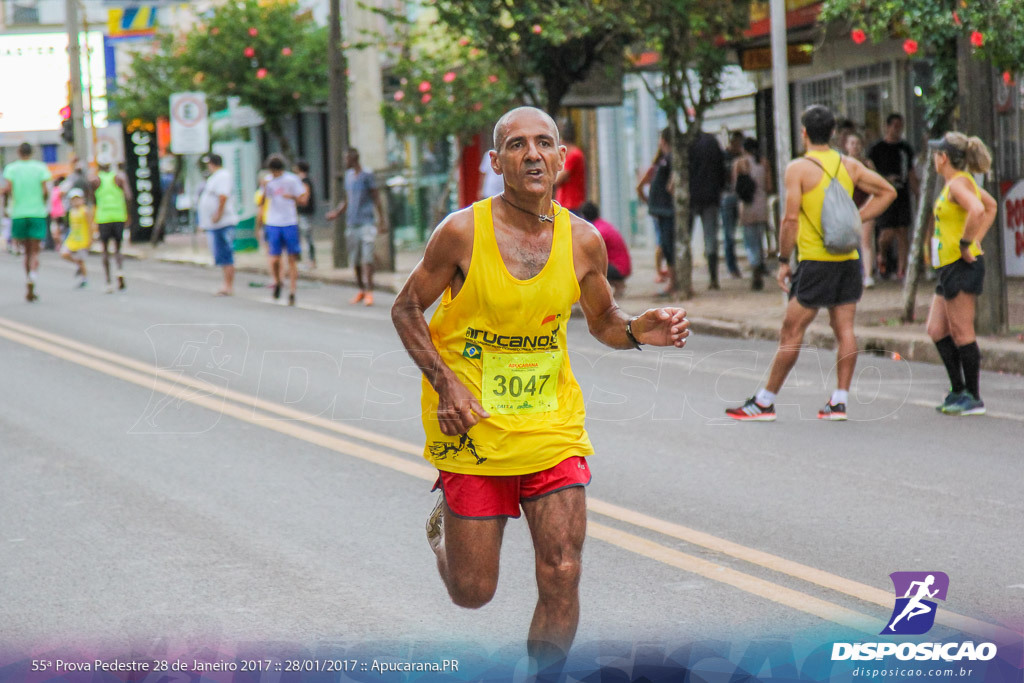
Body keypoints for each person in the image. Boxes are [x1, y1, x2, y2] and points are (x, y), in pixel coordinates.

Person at [391, 106, 689, 668]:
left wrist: (635, 331)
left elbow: (604, 321)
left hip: (552, 426)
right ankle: (444, 540)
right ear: (496, 160)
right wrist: (446, 383)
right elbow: (406, 309)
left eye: (543, 143)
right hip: (472, 425)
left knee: (563, 571)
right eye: (518, 144)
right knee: (472, 593)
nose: (532, 154)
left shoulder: (583, 241)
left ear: (560, 157)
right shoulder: (460, 233)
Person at [725, 105, 896, 422]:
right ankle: (839, 401)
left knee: (791, 331)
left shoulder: (798, 169)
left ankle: (764, 402)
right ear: (833, 133)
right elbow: (888, 191)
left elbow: (790, 219)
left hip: (816, 262)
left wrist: (783, 260)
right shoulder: (849, 165)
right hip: (847, 260)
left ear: (804, 132)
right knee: (844, 328)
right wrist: (857, 219)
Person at [925, 133, 997, 416]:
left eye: (935, 154)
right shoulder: (954, 184)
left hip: (960, 264)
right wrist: (975, 238)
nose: (933, 159)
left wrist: (969, 243)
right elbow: (989, 206)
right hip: (948, 266)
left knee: (962, 331)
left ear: (943, 158)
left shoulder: (958, 184)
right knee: (936, 328)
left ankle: (974, 396)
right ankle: (958, 389)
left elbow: (979, 209)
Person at [325, 148, 388, 306]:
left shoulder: (367, 175)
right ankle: (360, 289)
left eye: (346, 159)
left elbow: (376, 198)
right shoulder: (348, 177)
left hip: (366, 222)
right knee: (355, 260)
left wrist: (381, 220)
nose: (344, 162)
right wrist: (337, 213)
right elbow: (347, 199)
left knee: (367, 258)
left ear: (353, 159)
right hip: (351, 223)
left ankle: (369, 291)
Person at [868, 113, 919, 280]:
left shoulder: (905, 149)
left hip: (902, 195)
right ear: (887, 126)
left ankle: (901, 270)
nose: (898, 130)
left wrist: (917, 192)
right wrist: (884, 180)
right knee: (886, 233)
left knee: (903, 231)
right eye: (895, 126)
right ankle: (882, 254)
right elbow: (870, 173)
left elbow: (911, 173)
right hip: (884, 195)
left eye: (900, 126)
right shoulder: (876, 149)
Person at [1, 142, 52, 302]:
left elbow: (7, 189)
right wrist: (42, 204)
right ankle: (33, 277)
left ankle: (28, 276)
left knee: (26, 251)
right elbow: (45, 191)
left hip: (19, 213)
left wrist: (6, 209)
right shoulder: (40, 167)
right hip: (37, 212)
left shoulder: (12, 169)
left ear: (18, 152)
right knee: (35, 251)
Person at [259, 154, 308, 306]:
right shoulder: (268, 181)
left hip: (289, 221)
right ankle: (278, 281)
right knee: (274, 258)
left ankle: (292, 291)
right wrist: (264, 188)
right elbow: (261, 201)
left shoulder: (292, 180)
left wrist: (292, 197)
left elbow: (303, 200)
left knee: (292, 258)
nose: (275, 175)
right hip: (273, 222)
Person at [636, 128, 675, 294]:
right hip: (660, 210)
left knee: (667, 245)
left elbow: (672, 184)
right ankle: (671, 280)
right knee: (664, 245)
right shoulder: (661, 161)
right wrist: (650, 202)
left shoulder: (670, 160)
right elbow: (640, 186)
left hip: (667, 210)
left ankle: (673, 282)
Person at [732, 137, 773, 290]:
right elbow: (769, 186)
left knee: (749, 241)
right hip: (761, 204)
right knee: (759, 238)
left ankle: (755, 264)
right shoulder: (764, 163)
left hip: (747, 205)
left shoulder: (739, 163)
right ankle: (759, 264)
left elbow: (736, 186)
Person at [689, 131, 727, 289]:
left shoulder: (687, 142)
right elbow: (722, 168)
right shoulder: (712, 142)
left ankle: (685, 280)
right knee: (711, 239)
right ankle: (713, 278)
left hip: (690, 197)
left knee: (684, 238)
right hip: (711, 196)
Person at [198, 154, 238, 296]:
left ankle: (228, 285)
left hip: (223, 222)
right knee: (221, 254)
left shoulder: (222, 176)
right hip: (215, 224)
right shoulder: (215, 177)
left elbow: (223, 196)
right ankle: (225, 284)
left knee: (226, 253)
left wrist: (218, 214)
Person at [91, 158, 133, 293]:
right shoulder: (119, 179)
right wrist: (128, 213)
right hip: (118, 215)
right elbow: (128, 196)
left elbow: (92, 200)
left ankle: (108, 281)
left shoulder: (95, 180)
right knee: (118, 248)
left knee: (105, 250)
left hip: (103, 217)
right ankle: (119, 271)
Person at [844, 132, 878, 288]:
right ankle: (850, 275)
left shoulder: (867, 164)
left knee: (866, 241)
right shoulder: (841, 164)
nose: (855, 146)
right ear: (846, 146)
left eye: (857, 143)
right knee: (848, 243)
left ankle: (868, 275)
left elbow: (877, 186)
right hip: (847, 208)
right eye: (852, 143)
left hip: (866, 205)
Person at [579, 201, 631, 298]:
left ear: (584, 216)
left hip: (618, 268)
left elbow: (588, 253)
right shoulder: (602, 225)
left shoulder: (597, 231)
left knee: (585, 266)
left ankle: (593, 295)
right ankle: (617, 284)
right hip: (622, 266)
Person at [720, 130, 746, 280]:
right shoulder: (724, 157)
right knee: (728, 234)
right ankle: (732, 267)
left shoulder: (743, 157)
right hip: (727, 196)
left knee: (747, 231)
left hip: (741, 198)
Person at [60, 188, 92, 287]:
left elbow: (90, 225)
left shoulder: (85, 211)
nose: (76, 201)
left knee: (82, 260)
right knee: (64, 253)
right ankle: (77, 264)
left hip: (83, 238)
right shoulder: (71, 212)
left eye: (77, 199)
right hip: (73, 237)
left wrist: (91, 239)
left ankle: (84, 279)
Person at [554, 120, 585, 213]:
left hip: (571, 204)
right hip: (565, 203)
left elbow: (558, 179)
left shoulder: (574, 155)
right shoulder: (571, 155)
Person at [294, 159, 318, 269]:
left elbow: (305, 199)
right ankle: (309, 260)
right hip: (304, 213)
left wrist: (293, 199)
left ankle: (311, 261)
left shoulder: (305, 181)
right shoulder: (303, 180)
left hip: (305, 213)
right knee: (306, 237)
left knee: (308, 237)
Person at [48, 175, 66, 250]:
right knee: (58, 229)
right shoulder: (59, 190)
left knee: (57, 229)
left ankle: (59, 244)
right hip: (58, 212)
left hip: (56, 212)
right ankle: (60, 244)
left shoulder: (53, 191)